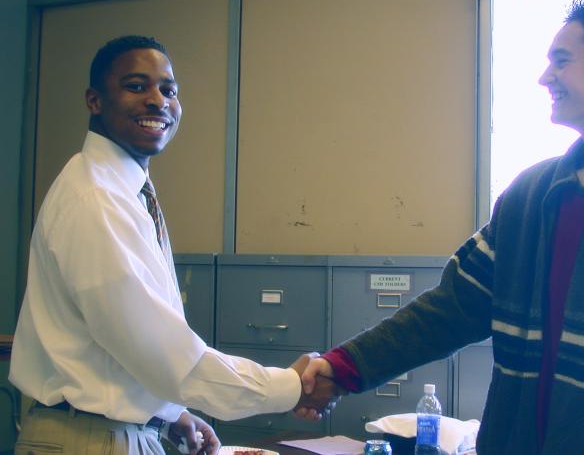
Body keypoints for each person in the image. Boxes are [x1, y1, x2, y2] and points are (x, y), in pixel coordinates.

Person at [300, 0, 584, 453]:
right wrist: (343, 367)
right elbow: (448, 311)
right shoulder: (530, 197)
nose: (545, 78)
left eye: (561, 62)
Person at [10, 35, 338, 455]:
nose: (157, 101)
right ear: (94, 100)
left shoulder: (124, 189)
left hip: (112, 432)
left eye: (169, 90)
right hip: (86, 440)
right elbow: (165, 355)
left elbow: (119, 347)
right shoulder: (96, 199)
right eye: (135, 86)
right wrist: (291, 387)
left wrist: (168, 414)